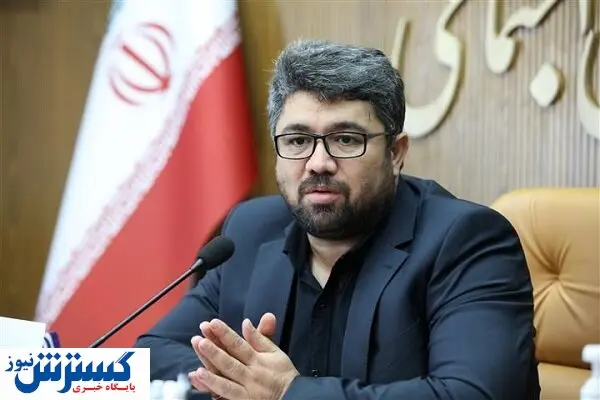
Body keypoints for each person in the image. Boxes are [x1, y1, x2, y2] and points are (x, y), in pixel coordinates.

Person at [135, 39, 540, 400]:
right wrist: (234, 381)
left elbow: (473, 393)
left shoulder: (467, 240)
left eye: (346, 139)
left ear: (396, 154)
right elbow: (148, 358)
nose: (318, 163)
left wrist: (286, 393)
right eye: (297, 140)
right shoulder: (250, 231)